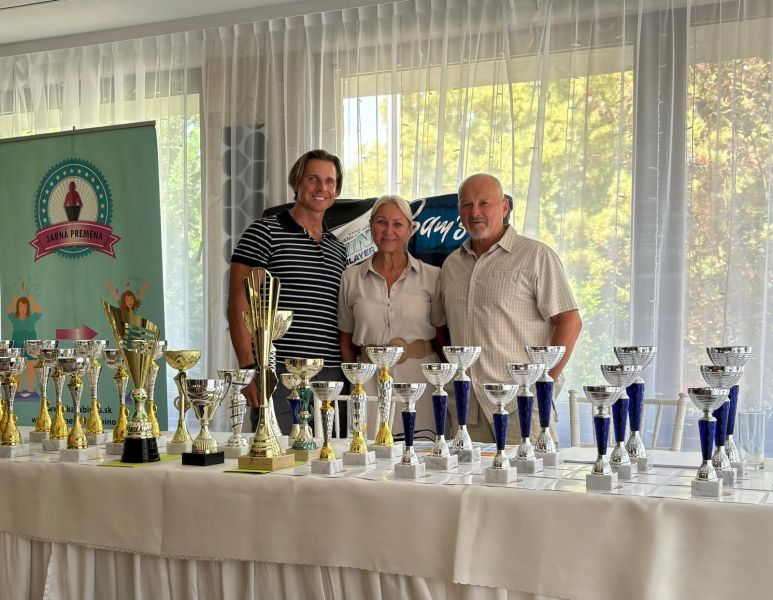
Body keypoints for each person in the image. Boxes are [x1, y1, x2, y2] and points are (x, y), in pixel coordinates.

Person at [441, 174, 582, 445]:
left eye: (484, 203)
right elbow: (445, 330)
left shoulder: (536, 256)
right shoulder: (451, 266)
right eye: (467, 204)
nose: (475, 212)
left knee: (530, 474)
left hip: (521, 404)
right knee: (467, 474)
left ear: (504, 207)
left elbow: (570, 322)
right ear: (459, 211)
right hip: (468, 408)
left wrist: (543, 383)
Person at [228, 150, 348, 434]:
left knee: (330, 458)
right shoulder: (263, 232)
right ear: (296, 182)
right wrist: (249, 369)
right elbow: (238, 303)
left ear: (337, 191)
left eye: (329, 181)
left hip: (331, 378)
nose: (321, 188)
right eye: (313, 179)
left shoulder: (339, 249)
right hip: (279, 374)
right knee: (280, 458)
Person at [339, 195, 448, 439]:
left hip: (420, 380)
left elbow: (442, 338)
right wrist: (357, 382)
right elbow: (345, 341)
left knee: (421, 451)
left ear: (410, 230)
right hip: (368, 384)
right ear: (371, 227)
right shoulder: (351, 278)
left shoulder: (433, 276)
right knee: (368, 453)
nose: (389, 231)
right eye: (381, 222)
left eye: (398, 224)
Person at [6, 290, 42, 393]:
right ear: (17, 307)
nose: (22, 308)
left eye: (25, 306)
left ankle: (30, 386)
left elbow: (39, 311)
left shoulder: (32, 318)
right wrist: (14, 298)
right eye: (20, 306)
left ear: (28, 307)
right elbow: (8, 311)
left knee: (30, 366)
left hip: (30, 347)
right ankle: (18, 387)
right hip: (17, 346)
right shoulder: (14, 318)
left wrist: (31, 298)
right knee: (17, 367)